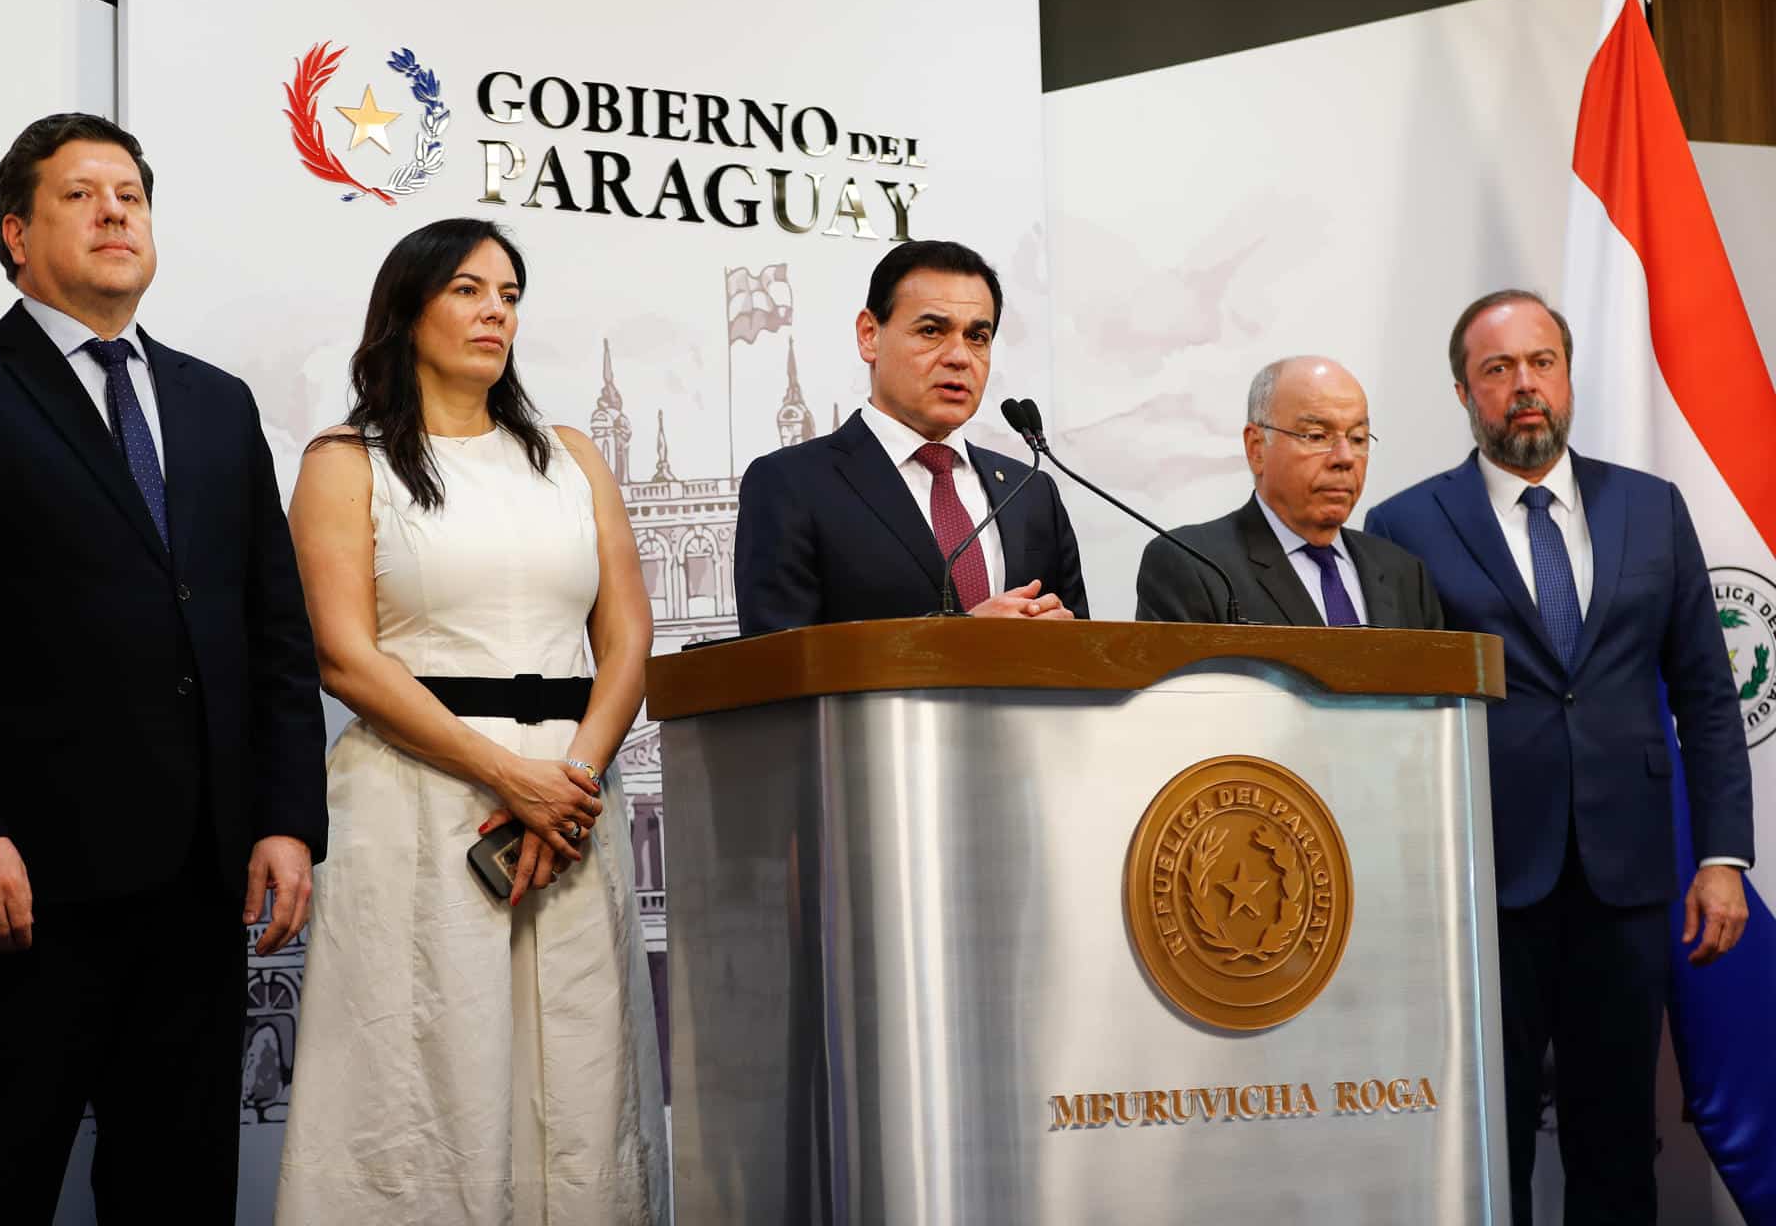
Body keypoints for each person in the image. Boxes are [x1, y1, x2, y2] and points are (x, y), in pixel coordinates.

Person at [0, 113, 326, 1220]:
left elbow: (275, 631)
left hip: (202, 883)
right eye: (80, 194)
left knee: (180, 1191)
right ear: (16, 234)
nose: (116, 210)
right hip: (22, 888)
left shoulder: (218, 403)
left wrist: (287, 817)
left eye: (132, 193)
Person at [275, 219, 668, 1222]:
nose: (495, 308)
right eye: (466, 288)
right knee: (420, 1069)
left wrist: (567, 779)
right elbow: (343, 654)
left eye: (509, 291)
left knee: (578, 1070)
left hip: (572, 801)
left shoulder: (572, 455)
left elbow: (626, 637)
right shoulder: (344, 458)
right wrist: (507, 773)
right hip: (420, 795)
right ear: (406, 310)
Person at [1364, 289, 1753, 1225]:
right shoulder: (1408, 523)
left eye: (1541, 362)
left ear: (1568, 376)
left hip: (1627, 878)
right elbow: (1394, 721)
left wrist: (1722, 858)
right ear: (1465, 390)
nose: (1523, 387)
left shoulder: (1652, 509)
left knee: (1618, 1137)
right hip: (1483, 881)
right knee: (1487, 1136)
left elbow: (1705, 693)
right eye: (1498, 370)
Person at [734, 239, 1088, 632]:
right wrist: (962, 640)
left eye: (977, 337)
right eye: (932, 330)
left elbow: (1084, 655)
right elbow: (780, 667)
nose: (959, 356)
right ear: (870, 334)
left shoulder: (1030, 492)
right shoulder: (791, 485)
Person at [1136, 357, 1443, 628]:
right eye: (1317, 435)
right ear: (1256, 448)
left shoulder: (1404, 574)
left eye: (1358, 438)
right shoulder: (1195, 566)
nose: (1345, 458)